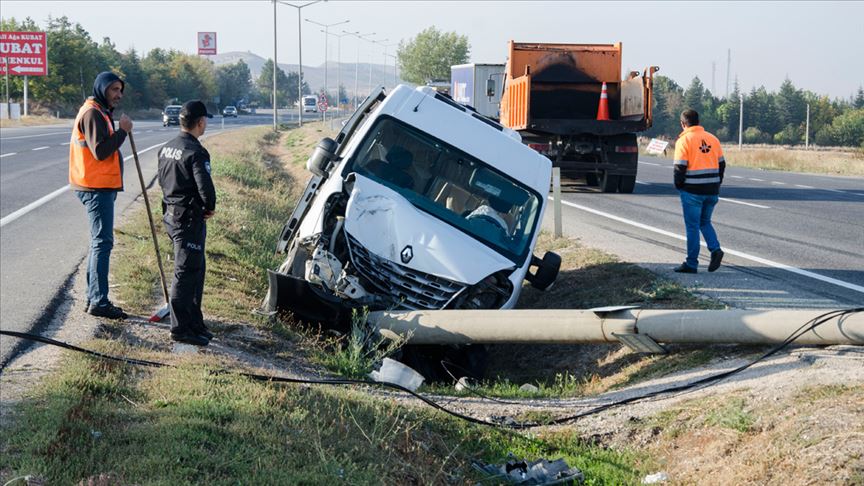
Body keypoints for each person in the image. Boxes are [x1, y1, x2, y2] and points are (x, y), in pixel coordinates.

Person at [69, 71, 133, 319]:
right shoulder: (93, 113)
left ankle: (93, 298)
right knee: (102, 244)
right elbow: (101, 151)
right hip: (96, 188)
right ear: (102, 89)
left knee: (99, 243)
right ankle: (99, 301)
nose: (119, 95)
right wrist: (123, 132)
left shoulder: (99, 111)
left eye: (120, 90)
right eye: (114, 89)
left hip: (98, 186)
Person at [157, 100, 216, 346]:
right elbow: (205, 187)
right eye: (205, 121)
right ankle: (180, 328)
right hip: (188, 219)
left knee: (195, 269)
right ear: (200, 122)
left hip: (172, 214)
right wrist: (209, 206)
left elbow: (161, 180)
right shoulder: (196, 152)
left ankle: (194, 322)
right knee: (186, 271)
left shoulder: (166, 148)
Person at [673, 109, 725, 274]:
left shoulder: (684, 140)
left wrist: (679, 185)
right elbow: (722, 164)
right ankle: (715, 249)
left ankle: (691, 263)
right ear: (698, 121)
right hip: (712, 190)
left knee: (693, 226)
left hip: (693, 191)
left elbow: (679, 167)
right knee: (705, 222)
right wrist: (717, 183)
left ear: (683, 124)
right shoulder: (713, 139)